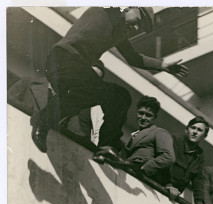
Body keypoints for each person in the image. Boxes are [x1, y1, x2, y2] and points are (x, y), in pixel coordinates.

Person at [32, 7, 188, 154]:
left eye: (139, 28)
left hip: (78, 68)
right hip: (62, 59)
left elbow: (133, 58)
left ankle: (107, 143)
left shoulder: (119, 32)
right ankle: (43, 121)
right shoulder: (106, 11)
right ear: (130, 7)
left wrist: (163, 65)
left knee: (119, 96)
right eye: (138, 22)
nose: (135, 28)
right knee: (91, 90)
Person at [120, 96, 175, 185]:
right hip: (127, 174)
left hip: (143, 179)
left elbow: (168, 156)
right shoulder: (134, 135)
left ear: (154, 118)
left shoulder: (159, 132)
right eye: (141, 113)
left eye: (148, 115)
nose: (143, 118)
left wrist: (144, 168)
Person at [165, 116, 209, 204]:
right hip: (160, 185)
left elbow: (198, 180)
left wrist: (199, 202)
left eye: (199, 130)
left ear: (204, 136)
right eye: (193, 128)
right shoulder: (175, 140)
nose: (195, 132)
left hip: (174, 195)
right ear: (186, 130)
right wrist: (168, 184)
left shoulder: (200, 154)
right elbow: (164, 163)